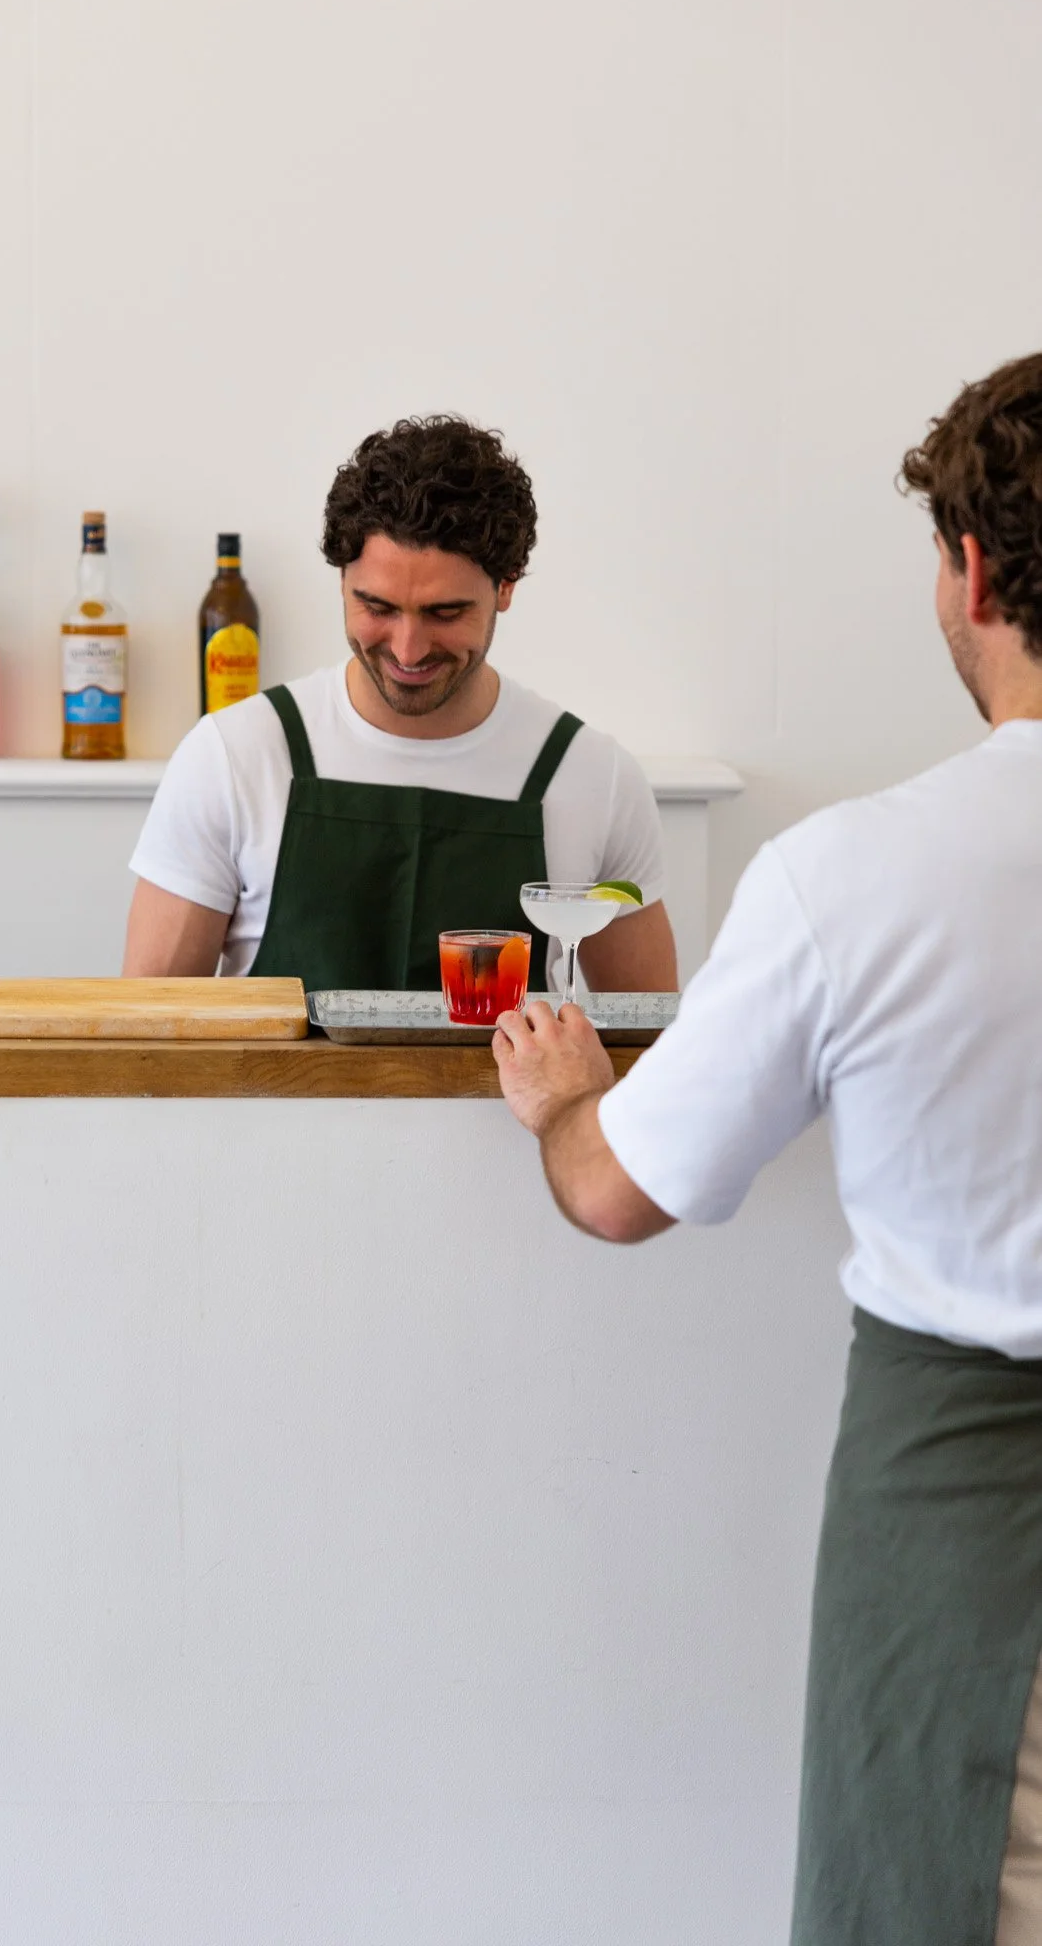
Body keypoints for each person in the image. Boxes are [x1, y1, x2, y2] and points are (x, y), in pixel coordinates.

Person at [492, 350, 1042, 1946]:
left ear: (971, 570)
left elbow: (615, 1191)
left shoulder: (857, 875)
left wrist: (560, 1096)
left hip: (969, 1519)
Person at [123, 416, 677, 994]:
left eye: (444, 613)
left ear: (507, 585)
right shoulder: (235, 755)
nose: (408, 650)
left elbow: (650, 1049)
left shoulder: (593, 776)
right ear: (342, 580)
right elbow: (146, 1034)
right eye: (378, 606)